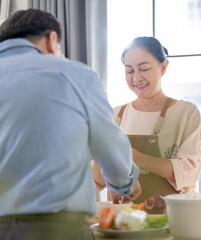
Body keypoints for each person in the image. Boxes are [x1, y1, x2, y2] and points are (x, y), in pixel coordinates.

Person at [0, 9, 140, 240]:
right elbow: (111, 152)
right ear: (51, 40)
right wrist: (124, 183)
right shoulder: (73, 74)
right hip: (54, 228)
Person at [92, 36, 201, 203]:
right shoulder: (114, 115)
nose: (136, 78)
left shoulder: (186, 112)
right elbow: (95, 180)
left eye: (143, 69)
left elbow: (188, 173)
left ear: (163, 68)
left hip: (171, 219)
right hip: (122, 221)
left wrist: (133, 157)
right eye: (129, 71)